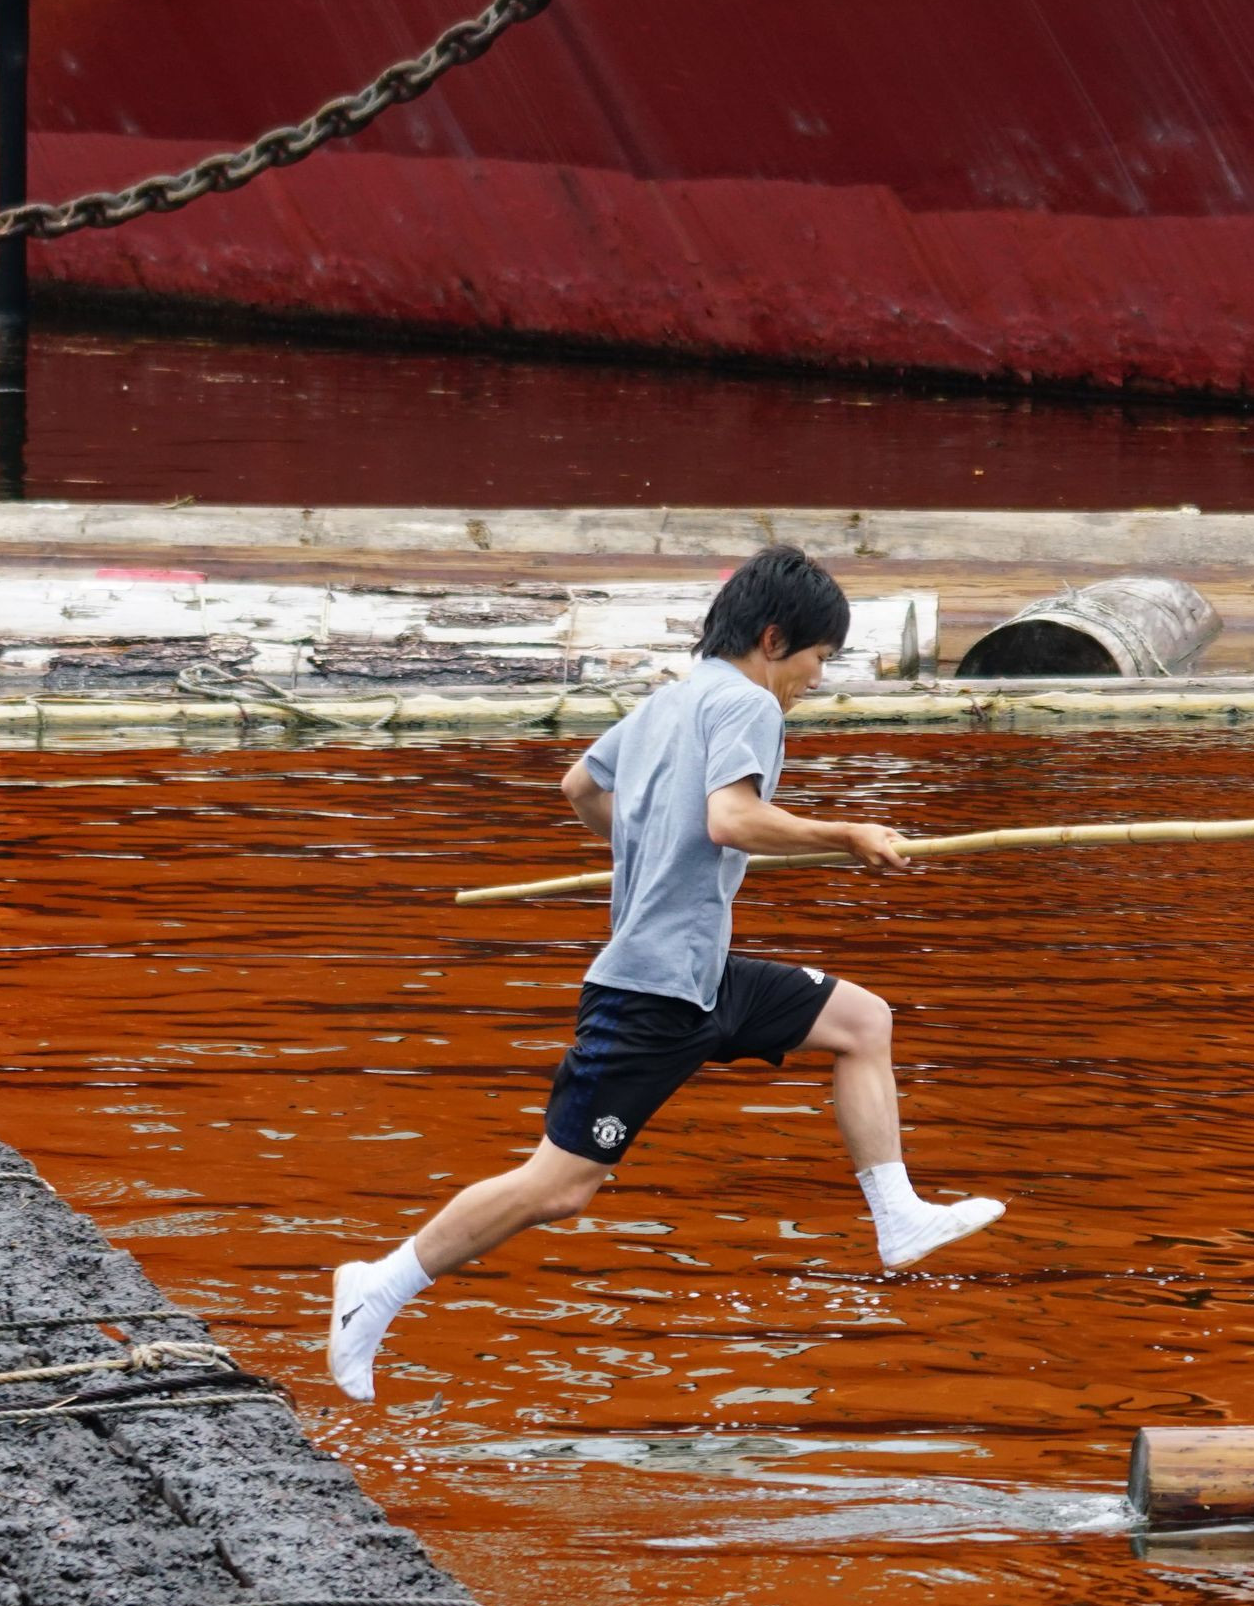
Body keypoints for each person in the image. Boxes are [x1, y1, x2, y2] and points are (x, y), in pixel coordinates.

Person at [328, 544, 1003, 1400]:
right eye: (818, 657)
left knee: (862, 1021)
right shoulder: (750, 702)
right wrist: (847, 834)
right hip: (651, 989)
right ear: (773, 640)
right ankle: (376, 1287)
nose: (816, 678)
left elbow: (579, 787)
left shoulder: (669, 701)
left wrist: (649, 846)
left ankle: (896, 1213)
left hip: (701, 974)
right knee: (560, 1187)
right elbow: (732, 820)